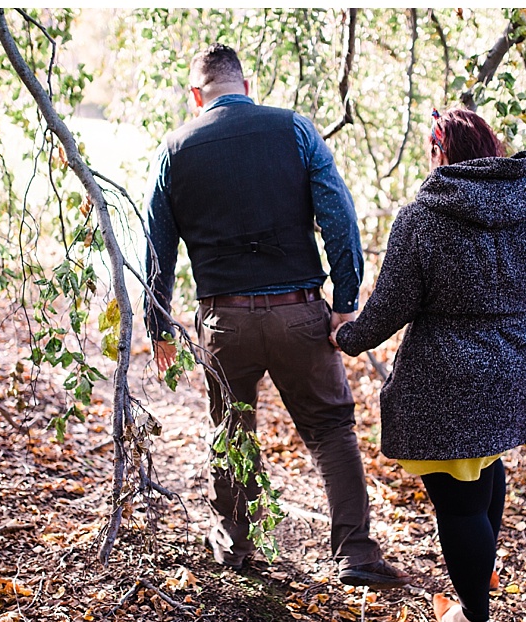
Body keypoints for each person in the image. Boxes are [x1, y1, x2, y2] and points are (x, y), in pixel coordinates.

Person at [143, 43, 410, 590]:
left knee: (230, 429)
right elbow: (339, 218)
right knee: (331, 427)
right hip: (298, 315)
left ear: (197, 95)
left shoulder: (175, 149)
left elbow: (157, 249)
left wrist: (158, 322)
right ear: (247, 86)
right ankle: (355, 553)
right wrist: (344, 304)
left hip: (224, 321)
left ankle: (237, 545)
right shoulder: (295, 130)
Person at [330, 107, 526, 622]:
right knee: (485, 462)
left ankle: (474, 617)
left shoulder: (423, 216)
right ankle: (484, 570)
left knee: (458, 501)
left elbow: (391, 306)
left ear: (440, 153)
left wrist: (346, 338)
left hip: (450, 380)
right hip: (520, 371)